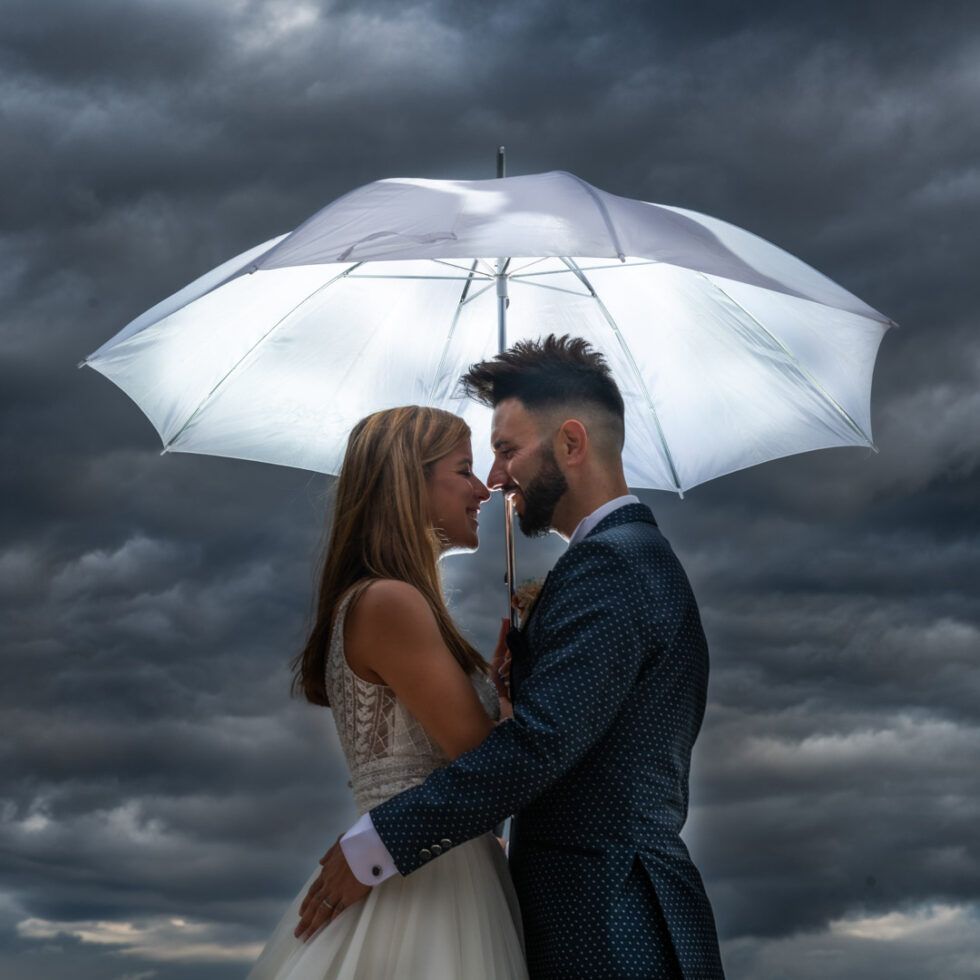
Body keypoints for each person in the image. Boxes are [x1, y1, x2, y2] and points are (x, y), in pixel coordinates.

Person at [304, 335, 726, 979]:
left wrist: (377, 842)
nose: (496, 480)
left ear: (572, 444)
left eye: (505, 451)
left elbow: (541, 744)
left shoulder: (613, 564)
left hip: (613, 927)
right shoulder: (616, 561)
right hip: (588, 919)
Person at [247, 406, 529, 980]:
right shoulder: (392, 601)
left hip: (414, 861)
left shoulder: (373, 599)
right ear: (409, 482)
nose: (483, 489)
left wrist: (496, 691)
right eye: (464, 470)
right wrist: (510, 706)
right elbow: (484, 763)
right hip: (430, 881)